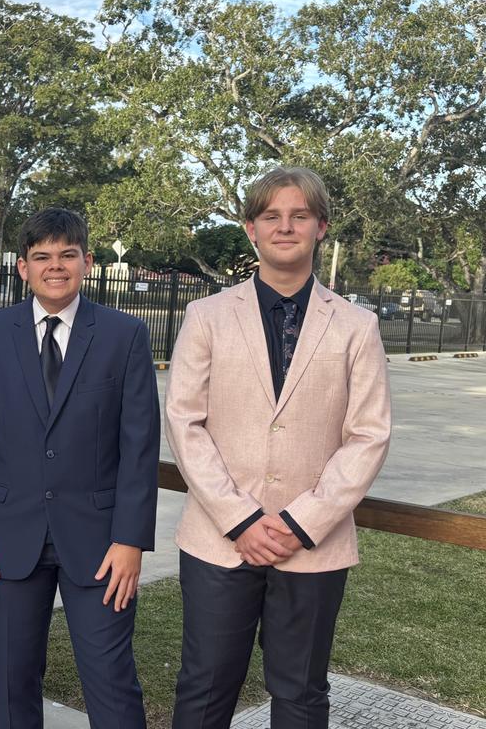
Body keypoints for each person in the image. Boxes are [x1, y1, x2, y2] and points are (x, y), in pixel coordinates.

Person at [164, 166, 391, 729]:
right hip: (220, 539)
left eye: (299, 216)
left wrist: (300, 520)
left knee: (301, 694)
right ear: (251, 229)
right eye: (271, 216)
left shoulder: (357, 326)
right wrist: (241, 519)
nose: (284, 227)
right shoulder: (207, 316)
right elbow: (185, 422)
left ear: (321, 228)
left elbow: (368, 434)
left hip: (313, 544)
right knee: (205, 687)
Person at [0, 207, 160, 729]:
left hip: (101, 543)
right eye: (41, 256)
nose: (55, 266)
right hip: (8, 540)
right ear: (22, 266)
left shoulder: (124, 335)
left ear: (87, 262)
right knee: (12, 679)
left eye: (67, 255)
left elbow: (139, 446)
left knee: (111, 680)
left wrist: (131, 540)